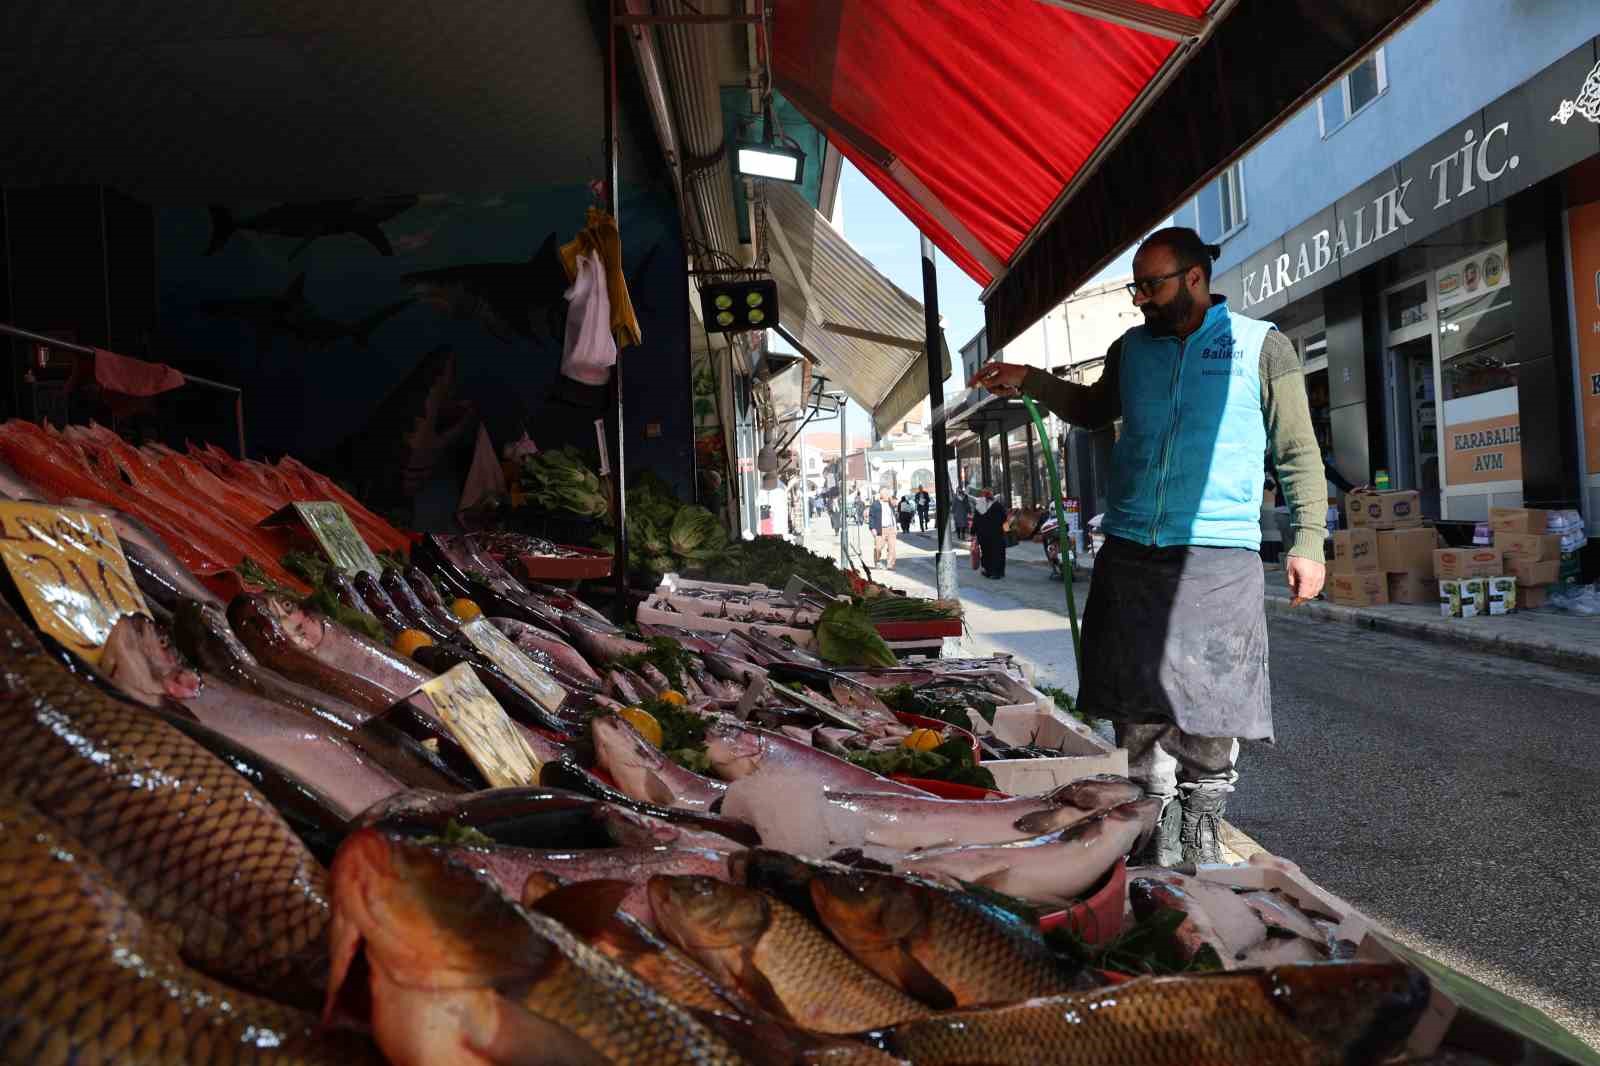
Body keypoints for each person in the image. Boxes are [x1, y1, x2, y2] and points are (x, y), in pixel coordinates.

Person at [970, 226, 1327, 866]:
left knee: (1211, 699)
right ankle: (1147, 815)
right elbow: (1091, 410)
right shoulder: (1131, 349)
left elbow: (1297, 450)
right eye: (1136, 286)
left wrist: (1308, 541)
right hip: (1133, 543)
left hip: (1217, 549)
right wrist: (1032, 380)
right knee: (1135, 697)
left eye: (1151, 285)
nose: (1140, 299)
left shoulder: (1260, 347)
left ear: (1194, 277)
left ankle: (1203, 818)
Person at [970, 490, 1007, 578]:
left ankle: (989, 571)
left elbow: (975, 521)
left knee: (987, 553)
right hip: (997, 534)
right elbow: (1004, 518)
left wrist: (972, 532)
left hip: (983, 535)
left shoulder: (979, 507)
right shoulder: (997, 505)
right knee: (998, 553)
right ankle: (999, 572)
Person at [869, 489, 897, 570]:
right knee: (878, 547)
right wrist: (872, 528)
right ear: (882, 495)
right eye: (887, 494)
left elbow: (893, 514)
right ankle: (877, 561)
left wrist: (895, 527)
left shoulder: (890, 503)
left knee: (892, 547)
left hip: (891, 528)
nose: (888, 495)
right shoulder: (875, 504)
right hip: (880, 529)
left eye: (889, 494)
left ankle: (890, 564)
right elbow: (871, 517)